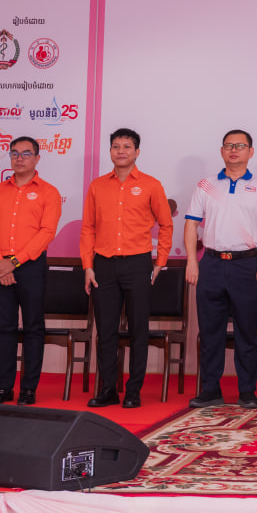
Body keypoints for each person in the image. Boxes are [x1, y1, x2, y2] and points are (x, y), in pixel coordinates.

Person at [184, 130, 257, 409]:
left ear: (251, 151)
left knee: (246, 331)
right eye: (229, 145)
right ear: (221, 151)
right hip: (211, 264)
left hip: (247, 265)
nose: (234, 150)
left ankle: (247, 391)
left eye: (240, 145)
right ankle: (210, 389)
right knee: (210, 331)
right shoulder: (206, 185)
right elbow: (191, 224)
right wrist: (192, 260)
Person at [81, 128, 174, 409]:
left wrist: (160, 261)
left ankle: (133, 390)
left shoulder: (151, 185)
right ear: (110, 151)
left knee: (138, 330)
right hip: (103, 265)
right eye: (116, 146)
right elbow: (88, 228)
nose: (120, 151)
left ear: (137, 152)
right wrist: (88, 266)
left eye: (127, 146)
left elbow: (166, 224)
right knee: (106, 330)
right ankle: (108, 389)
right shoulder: (97, 186)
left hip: (137, 264)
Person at [0, 136, 62, 405]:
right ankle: (4, 388)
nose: (19, 158)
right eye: (14, 153)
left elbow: (47, 232)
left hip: (30, 267)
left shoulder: (49, 192)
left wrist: (13, 263)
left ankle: (28, 389)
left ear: (37, 158)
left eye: (26, 153)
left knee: (33, 328)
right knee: (5, 329)